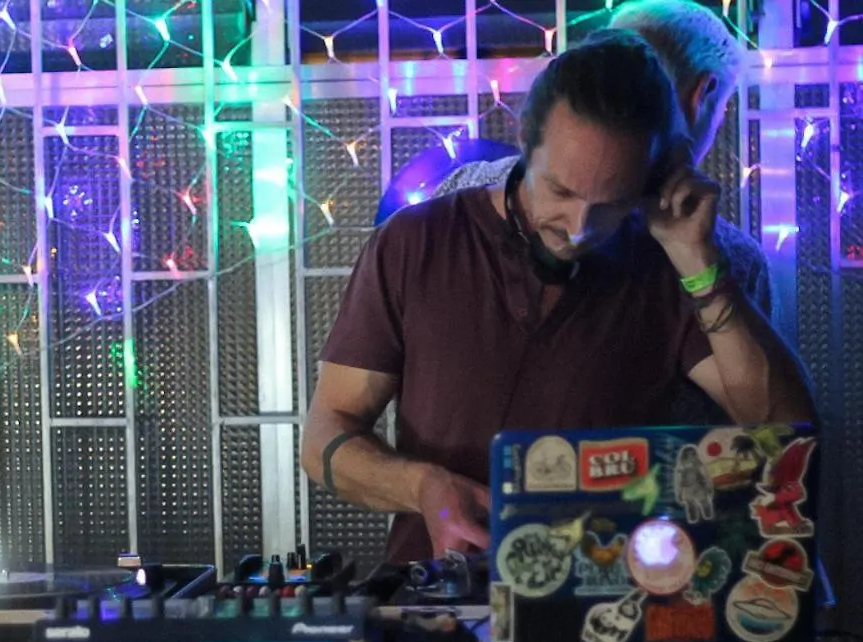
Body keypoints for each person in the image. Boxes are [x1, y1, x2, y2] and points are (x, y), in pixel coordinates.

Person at [299, 29, 814, 564]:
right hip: (436, 598)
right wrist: (423, 487)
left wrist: (699, 263)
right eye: (561, 191)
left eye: (611, 203)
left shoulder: (667, 268)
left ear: (655, 176)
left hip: (602, 598)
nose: (579, 228)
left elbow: (787, 437)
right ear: (524, 136)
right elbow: (325, 437)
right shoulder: (415, 242)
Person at [436, 0, 769, 424]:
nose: (579, 229)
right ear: (702, 93)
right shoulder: (731, 258)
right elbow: (769, 439)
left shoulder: (458, 192)